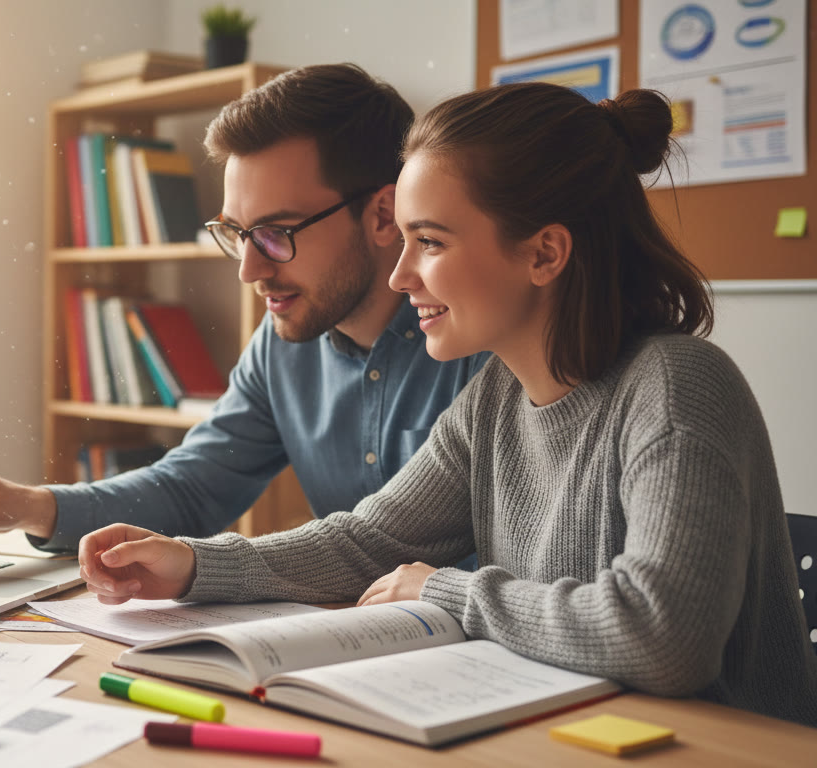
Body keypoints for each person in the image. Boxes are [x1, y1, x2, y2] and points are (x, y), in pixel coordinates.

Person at [77, 82, 817, 727]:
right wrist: (191, 565)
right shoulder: (496, 395)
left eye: (428, 241)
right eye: (402, 240)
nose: (399, 276)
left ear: (545, 253)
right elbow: (367, 541)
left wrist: (447, 591)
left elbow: (663, 638)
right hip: (570, 730)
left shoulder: (678, 388)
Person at [0, 64, 487, 553]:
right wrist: (31, 506)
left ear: (382, 216)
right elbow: (193, 487)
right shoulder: (282, 344)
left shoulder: (483, 341)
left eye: (276, 233)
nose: (249, 270)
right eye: (236, 234)